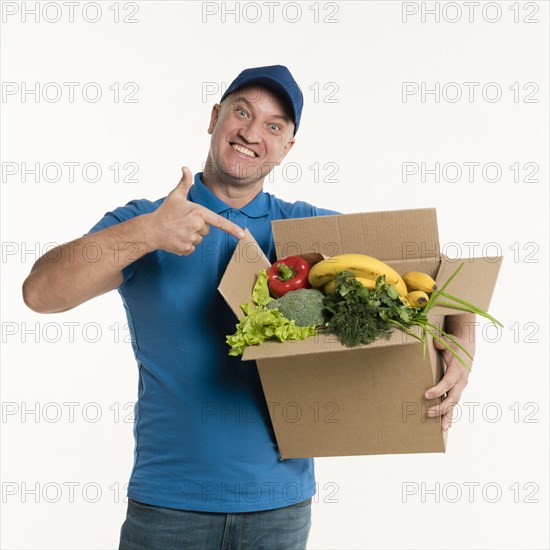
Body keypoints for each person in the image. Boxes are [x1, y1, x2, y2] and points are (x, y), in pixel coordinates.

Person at [22, 65, 474, 549]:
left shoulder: (309, 233)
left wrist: (462, 344)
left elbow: (438, 270)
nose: (252, 134)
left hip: (280, 509)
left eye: (274, 126)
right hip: (168, 506)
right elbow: (42, 293)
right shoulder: (144, 222)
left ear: (287, 148)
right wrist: (149, 233)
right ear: (215, 117)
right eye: (242, 112)